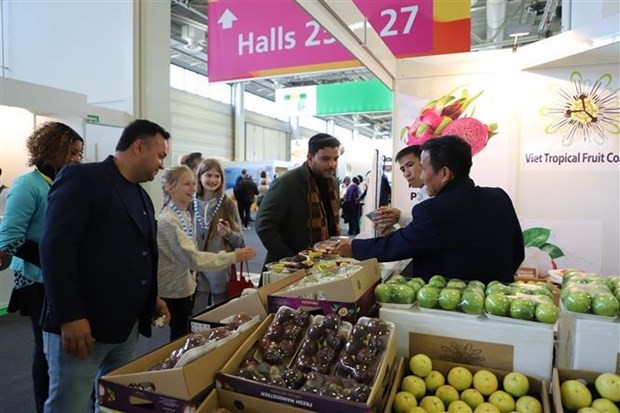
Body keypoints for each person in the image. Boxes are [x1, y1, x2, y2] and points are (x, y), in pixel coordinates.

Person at [39, 119, 173, 413]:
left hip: (125, 328)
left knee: (115, 404)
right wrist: (70, 316)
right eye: (161, 155)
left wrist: (151, 298)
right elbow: (56, 249)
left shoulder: (141, 196)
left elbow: (137, 254)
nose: (162, 164)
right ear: (139, 147)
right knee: (69, 406)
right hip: (83, 329)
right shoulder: (83, 178)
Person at [335, 136, 524, 284]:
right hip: (499, 301)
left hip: (454, 309)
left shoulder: (434, 210)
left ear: (444, 173)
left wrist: (353, 247)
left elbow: (396, 246)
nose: (422, 177)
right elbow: (518, 252)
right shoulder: (500, 197)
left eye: (423, 169)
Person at [0, 122, 83, 413]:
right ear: (50, 150)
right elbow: (10, 236)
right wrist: (50, 258)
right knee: (46, 351)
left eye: (79, 154)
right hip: (36, 280)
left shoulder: (65, 181)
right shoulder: (28, 184)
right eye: (71, 152)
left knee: (58, 349)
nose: (76, 159)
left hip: (60, 278)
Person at [158, 165, 256, 340]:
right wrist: (234, 256)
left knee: (215, 317)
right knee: (185, 332)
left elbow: (238, 239)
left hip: (200, 278)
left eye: (193, 183)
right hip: (182, 285)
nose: (193, 188)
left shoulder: (187, 213)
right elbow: (192, 257)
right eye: (187, 184)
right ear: (170, 187)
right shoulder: (171, 219)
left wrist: (229, 237)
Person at [256, 133, 341, 278]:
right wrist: (292, 260)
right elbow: (264, 225)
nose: (332, 164)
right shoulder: (288, 183)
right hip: (287, 271)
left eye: (335, 159)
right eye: (325, 159)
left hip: (322, 265)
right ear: (309, 158)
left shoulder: (332, 184)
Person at [193, 159, 247, 310]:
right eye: (208, 175)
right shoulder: (190, 202)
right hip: (195, 267)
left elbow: (240, 242)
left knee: (220, 314)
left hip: (220, 269)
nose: (213, 180)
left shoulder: (228, 204)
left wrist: (228, 233)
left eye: (217, 176)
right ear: (200, 177)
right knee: (196, 314)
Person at [371, 145, 430, 234]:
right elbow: (419, 231)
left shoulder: (438, 195)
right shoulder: (424, 193)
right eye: (403, 169)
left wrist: (399, 216)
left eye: (410, 165)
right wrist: (389, 232)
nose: (406, 173)